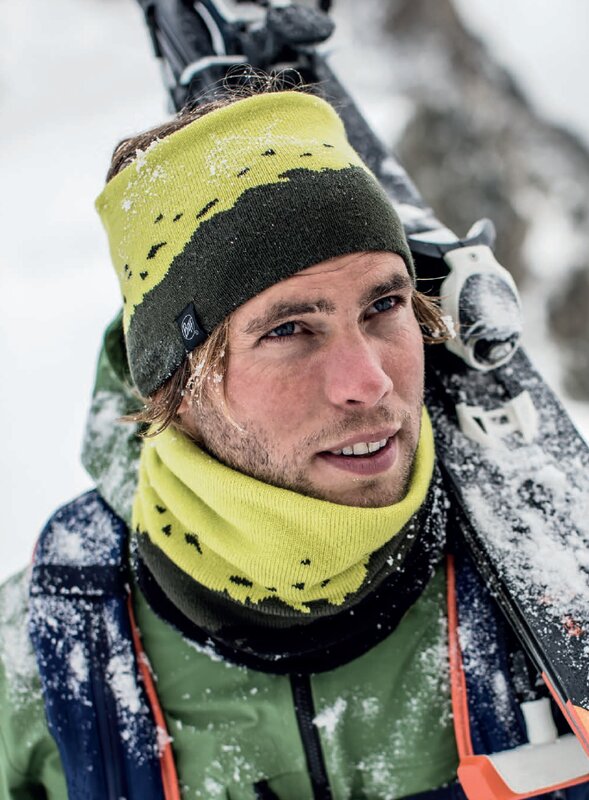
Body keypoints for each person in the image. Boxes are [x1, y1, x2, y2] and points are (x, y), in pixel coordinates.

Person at [0, 86, 587, 800]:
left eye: (384, 305)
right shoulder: (41, 652)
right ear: (176, 384)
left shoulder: (553, 567)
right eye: (287, 330)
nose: (369, 382)